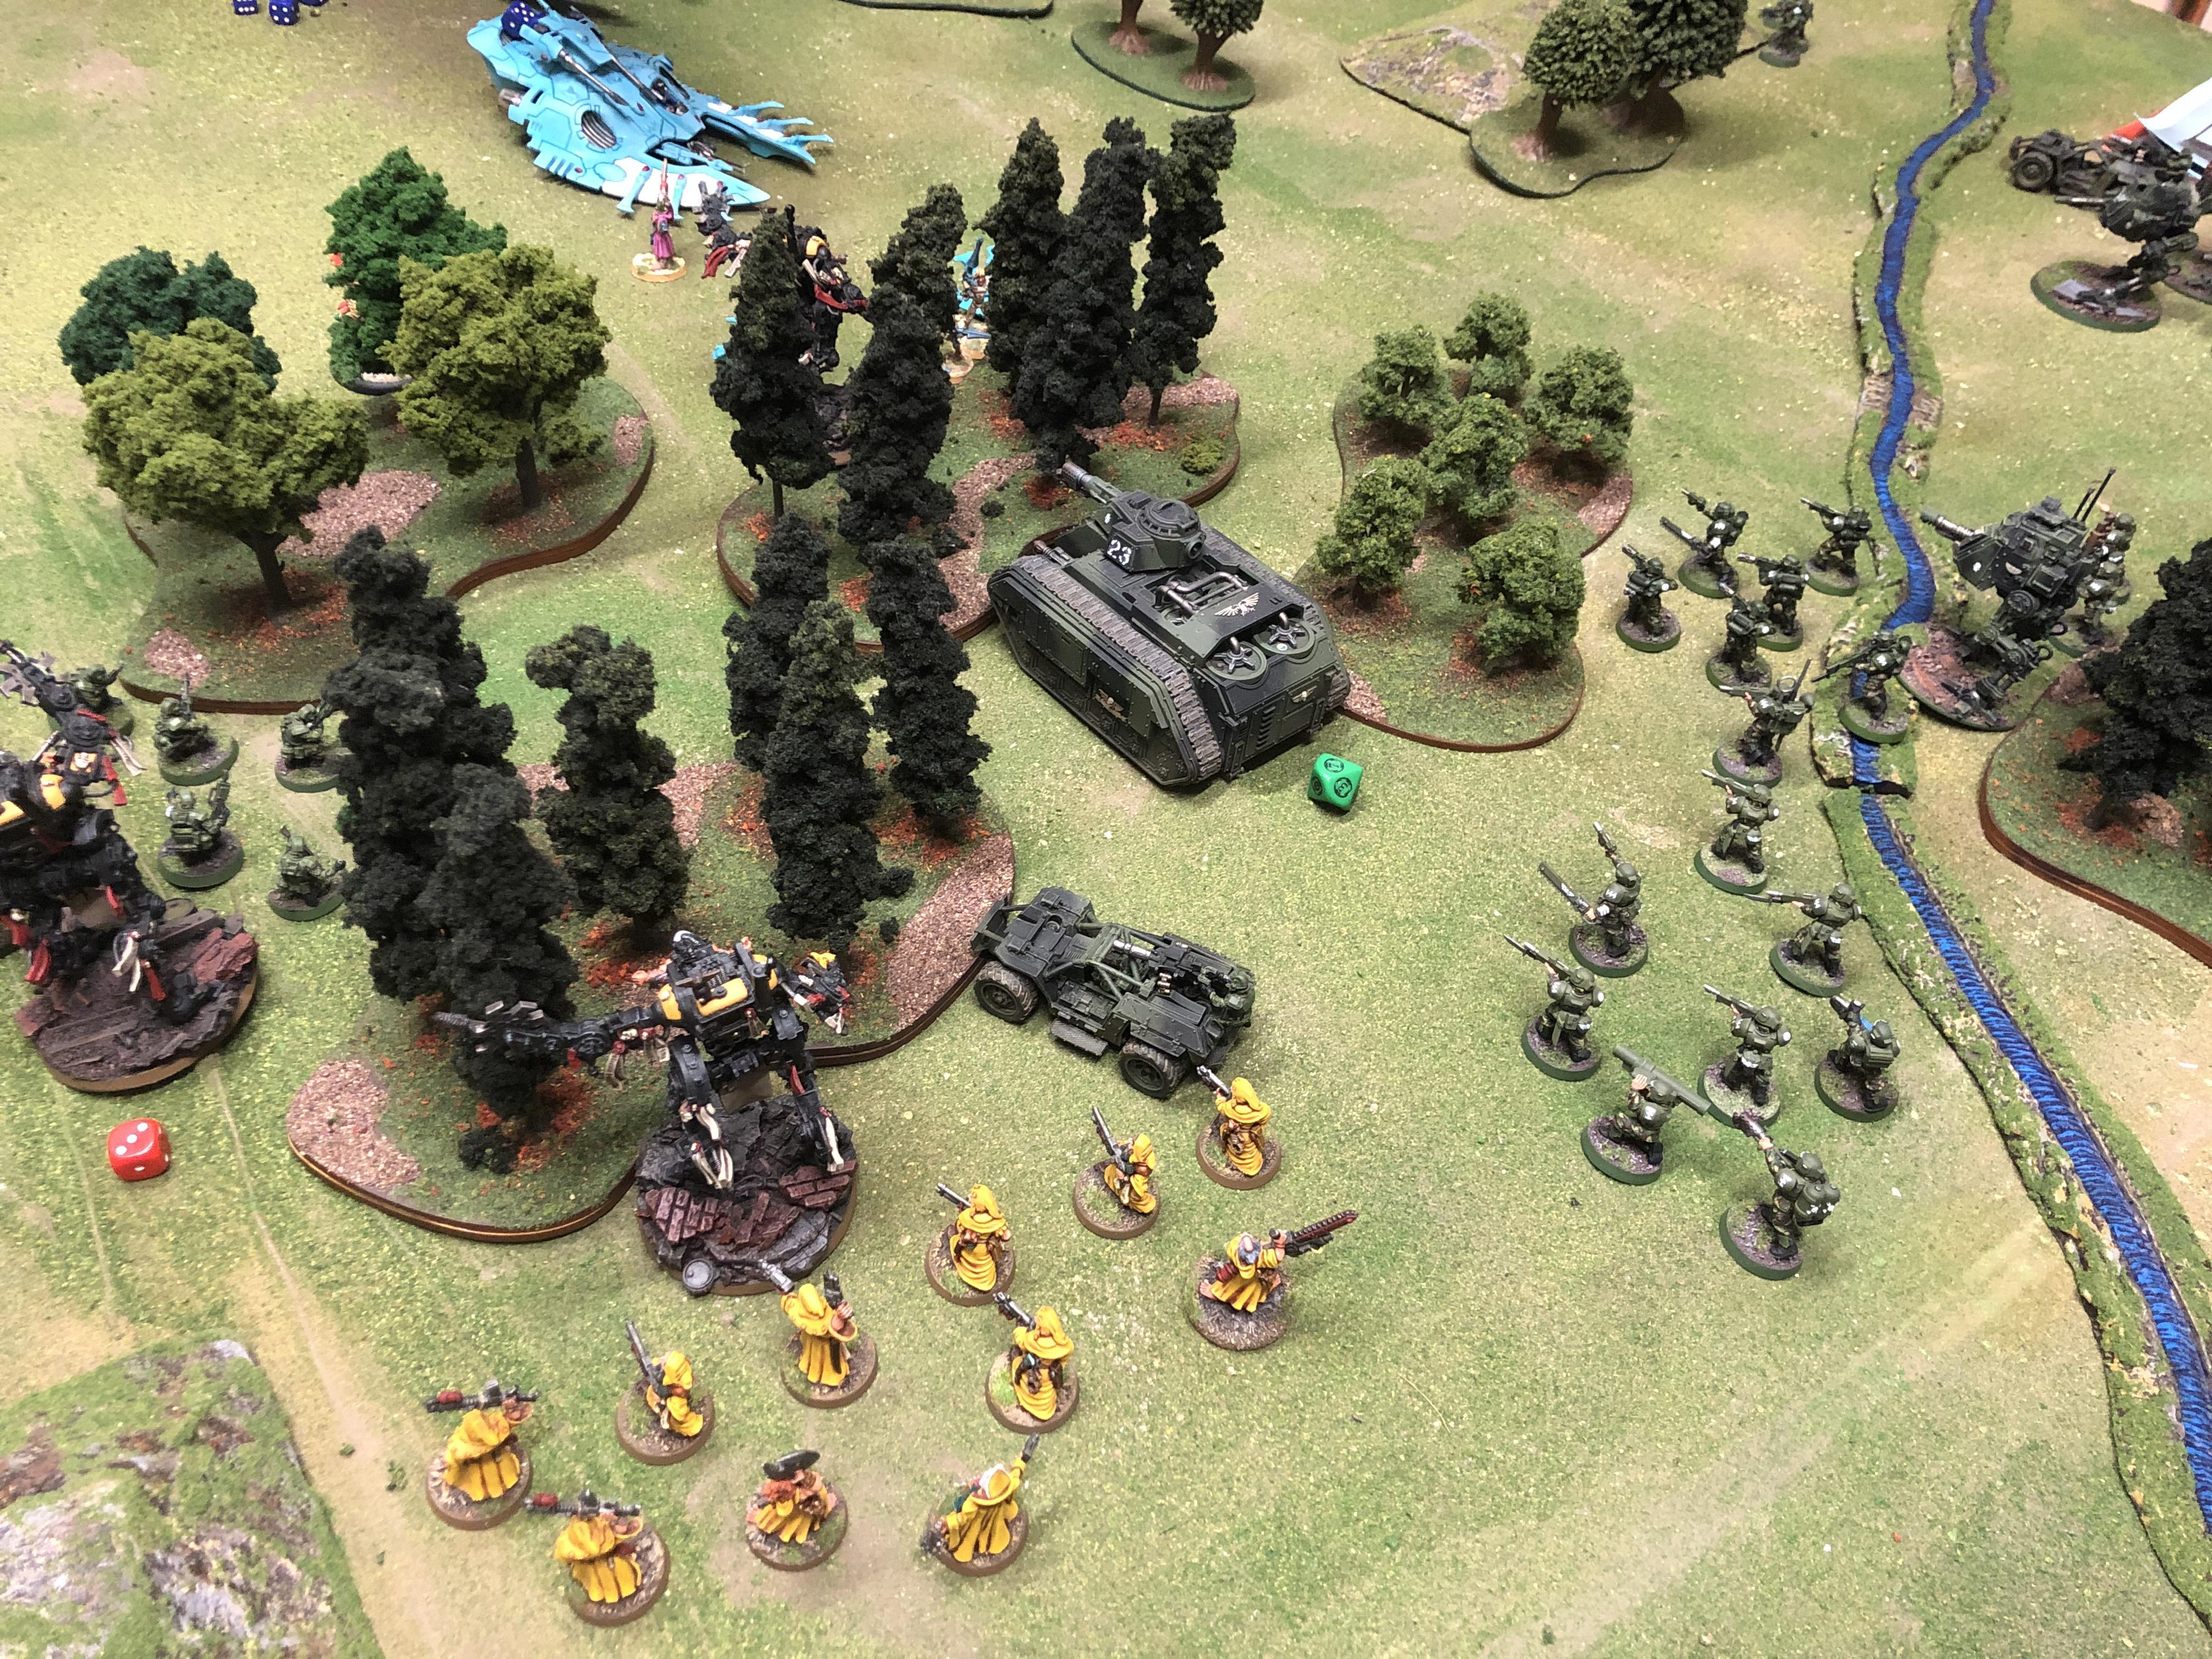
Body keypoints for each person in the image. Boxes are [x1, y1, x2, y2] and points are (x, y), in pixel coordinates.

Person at [439, 1381, 532, 1503]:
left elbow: (493, 1430)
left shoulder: (481, 1423)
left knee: (502, 1473)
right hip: (472, 1480)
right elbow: (491, 1438)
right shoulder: (460, 1448)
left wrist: (509, 1416)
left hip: (499, 1468)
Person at [935, 1448, 1030, 1565]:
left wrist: (947, 1522)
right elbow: (1015, 1476)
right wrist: (1021, 1461)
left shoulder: (973, 1506)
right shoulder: (1004, 1491)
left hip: (975, 1528)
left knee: (969, 1537)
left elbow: (961, 1519)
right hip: (994, 1523)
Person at [553, 1492, 644, 1604]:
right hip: (588, 1560)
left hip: (604, 1549)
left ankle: (627, 1589)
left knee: (622, 1571)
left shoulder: (600, 1518)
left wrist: (614, 1522)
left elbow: (615, 1527)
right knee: (601, 1580)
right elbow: (593, 1549)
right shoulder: (580, 1528)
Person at [781, 1276, 859, 1387]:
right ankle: (830, 1378)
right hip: (822, 1347)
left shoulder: (822, 1307)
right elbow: (828, 1328)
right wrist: (839, 1319)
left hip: (820, 1342)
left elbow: (789, 1302)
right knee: (822, 1363)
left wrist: (841, 1317)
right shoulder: (800, 1311)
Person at [750, 1451, 837, 1546]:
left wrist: (804, 1481)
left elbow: (815, 1487)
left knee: (797, 1518)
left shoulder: (806, 1486)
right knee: (775, 1517)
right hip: (795, 1507)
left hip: (803, 1511)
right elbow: (784, 1510)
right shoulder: (787, 1491)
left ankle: (822, 1513)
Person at [1201, 1229, 1286, 1313]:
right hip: (1247, 1281)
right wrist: (1280, 1245)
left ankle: (1219, 1293)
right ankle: (1219, 1295)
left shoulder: (1234, 1250)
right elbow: (1278, 1257)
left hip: (1244, 1277)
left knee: (1232, 1288)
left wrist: (1246, 1239)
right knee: (1246, 1290)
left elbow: (1239, 1242)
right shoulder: (1260, 1259)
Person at [949, 1184, 1010, 1293]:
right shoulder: (996, 1221)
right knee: (982, 1262)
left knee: (961, 1249)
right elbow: (1005, 1235)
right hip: (982, 1249)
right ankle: (982, 1281)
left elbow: (959, 1227)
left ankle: (967, 1273)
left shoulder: (968, 1218)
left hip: (970, 1248)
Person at [1209, 1076, 1271, 1177]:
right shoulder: (1261, 1110)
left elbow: (1222, 1108)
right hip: (1249, 1136)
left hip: (1238, 1135)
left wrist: (1220, 1098)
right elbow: (1265, 1118)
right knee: (1249, 1149)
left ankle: (1229, 1152)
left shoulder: (1231, 1109)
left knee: (1225, 1132)